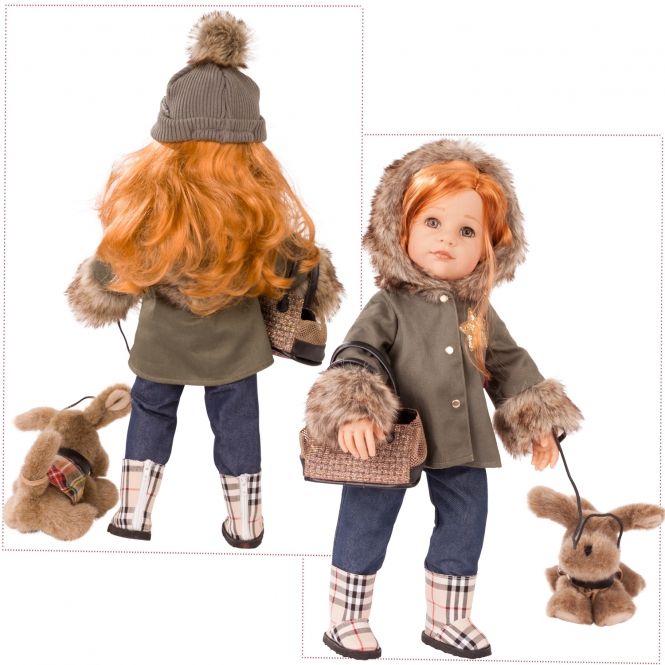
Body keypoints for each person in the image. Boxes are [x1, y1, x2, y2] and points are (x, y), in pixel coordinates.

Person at [67, 11, 342, 546]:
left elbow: (109, 274)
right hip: (236, 348)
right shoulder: (258, 213)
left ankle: (134, 514)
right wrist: (318, 276)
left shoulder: (151, 213)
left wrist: (95, 289)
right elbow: (299, 267)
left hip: (162, 345)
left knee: (151, 414)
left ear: (168, 140)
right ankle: (246, 523)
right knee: (238, 425)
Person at [305, 139, 582, 659]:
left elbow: (508, 362)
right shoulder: (389, 304)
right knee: (366, 520)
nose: (446, 239)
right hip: (387, 441)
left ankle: (448, 617)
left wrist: (538, 420)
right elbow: (357, 353)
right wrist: (355, 410)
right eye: (431, 221)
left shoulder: (477, 310)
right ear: (400, 228)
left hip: (461, 439)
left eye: (467, 231)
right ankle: (347, 617)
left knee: (466, 519)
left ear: (491, 248)